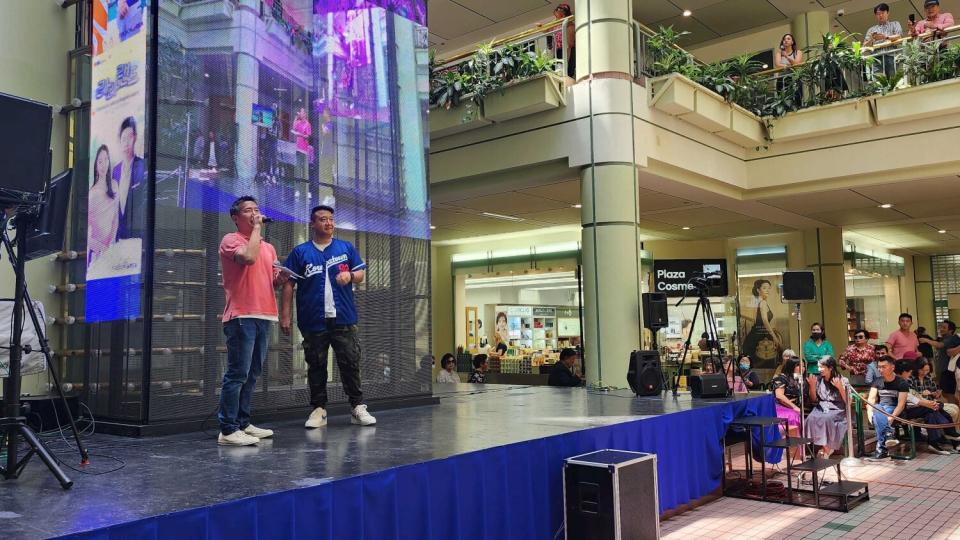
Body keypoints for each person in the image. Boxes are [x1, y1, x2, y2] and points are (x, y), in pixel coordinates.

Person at [280, 205, 377, 428]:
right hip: (312, 320)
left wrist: (350, 275)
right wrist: (285, 316)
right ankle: (318, 409)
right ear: (313, 224)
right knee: (316, 365)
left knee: (350, 363)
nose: (329, 223)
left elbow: (361, 274)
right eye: (323, 219)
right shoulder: (300, 252)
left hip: (343, 317)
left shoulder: (345, 248)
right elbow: (288, 285)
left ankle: (357, 406)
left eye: (331, 219)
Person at [217, 196, 286, 446]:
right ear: (236, 218)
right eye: (249, 211)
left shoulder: (268, 248)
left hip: (265, 314)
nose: (255, 214)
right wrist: (257, 228)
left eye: (257, 210)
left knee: (253, 373)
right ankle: (227, 428)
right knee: (238, 373)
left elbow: (273, 279)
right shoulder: (231, 240)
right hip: (241, 316)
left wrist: (283, 278)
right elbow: (247, 258)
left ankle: (243, 423)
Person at [895, 360, 959, 454]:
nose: (910, 374)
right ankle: (948, 433)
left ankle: (935, 442)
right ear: (905, 372)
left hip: (914, 406)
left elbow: (912, 397)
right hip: (905, 410)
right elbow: (911, 399)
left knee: (932, 412)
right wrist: (928, 403)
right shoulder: (902, 382)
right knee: (933, 408)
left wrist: (930, 401)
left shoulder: (901, 381)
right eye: (909, 372)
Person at [804, 356, 849, 458]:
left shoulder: (843, 380)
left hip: (837, 409)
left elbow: (848, 401)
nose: (819, 369)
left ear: (830, 367)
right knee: (811, 418)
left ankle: (827, 449)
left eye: (822, 367)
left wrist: (840, 388)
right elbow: (814, 400)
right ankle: (826, 448)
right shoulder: (819, 380)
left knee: (827, 419)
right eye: (818, 367)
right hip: (821, 407)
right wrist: (812, 386)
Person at [867, 356, 909, 459]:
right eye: (879, 367)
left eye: (883, 367)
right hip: (881, 408)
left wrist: (892, 417)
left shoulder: (901, 382)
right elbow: (871, 399)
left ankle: (881, 449)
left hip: (894, 409)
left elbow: (901, 404)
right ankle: (889, 433)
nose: (880, 370)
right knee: (876, 407)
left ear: (892, 367)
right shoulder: (877, 381)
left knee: (878, 415)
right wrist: (869, 414)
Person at [113, 116, 145, 241]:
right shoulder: (115, 170)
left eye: (130, 137)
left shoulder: (142, 166)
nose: (126, 143)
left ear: (135, 138)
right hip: (118, 238)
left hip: (137, 237)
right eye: (123, 138)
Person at [87, 145, 119, 264]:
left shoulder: (114, 185)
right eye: (100, 161)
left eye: (106, 159)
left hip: (111, 249)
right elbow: (87, 233)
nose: (104, 164)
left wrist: (111, 243)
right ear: (95, 165)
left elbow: (115, 218)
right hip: (96, 253)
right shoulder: (92, 193)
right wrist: (101, 249)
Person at [741, 279, 781, 368]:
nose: (767, 290)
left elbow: (758, 321)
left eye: (769, 288)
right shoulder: (762, 302)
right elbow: (765, 321)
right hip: (756, 339)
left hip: (758, 336)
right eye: (764, 288)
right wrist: (774, 337)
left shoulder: (760, 302)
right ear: (758, 290)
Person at [770, 357, 804, 459]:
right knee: (793, 416)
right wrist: (794, 407)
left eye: (803, 365)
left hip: (796, 407)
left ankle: (798, 450)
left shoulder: (800, 378)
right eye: (799, 366)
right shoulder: (781, 378)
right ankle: (794, 452)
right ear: (791, 367)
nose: (803, 368)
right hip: (780, 407)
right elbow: (779, 396)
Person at [909, 357, 960, 423]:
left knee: (955, 407)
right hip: (922, 406)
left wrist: (937, 393)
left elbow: (934, 393)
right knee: (952, 411)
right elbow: (910, 397)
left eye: (927, 370)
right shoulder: (911, 379)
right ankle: (947, 429)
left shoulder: (928, 377)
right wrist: (922, 394)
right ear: (916, 368)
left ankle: (949, 429)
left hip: (932, 403)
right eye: (922, 370)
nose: (925, 373)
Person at [864, 3, 903, 78]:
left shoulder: (895, 24)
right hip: (876, 58)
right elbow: (865, 46)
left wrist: (885, 37)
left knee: (893, 80)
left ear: (888, 13)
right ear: (875, 15)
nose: (880, 15)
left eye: (882, 13)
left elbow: (899, 36)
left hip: (891, 56)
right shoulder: (871, 30)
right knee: (879, 82)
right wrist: (872, 39)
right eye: (878, 14)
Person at [919, 320, 960, 385]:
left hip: (948, 369)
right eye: (941, 327)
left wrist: (926, 340)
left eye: (944, 328)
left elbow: (939, 345)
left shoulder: (951, 338)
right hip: (942, 368)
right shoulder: (943, 338)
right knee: (942, 389)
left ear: (950, 330)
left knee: (947, 392)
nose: (941, 329)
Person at [774, 33, 803, 104]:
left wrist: (786, 57)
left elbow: (796, 64)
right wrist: (790, 64)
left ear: (792, 42)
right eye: (784, 39)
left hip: (795, 78)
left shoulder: (798, 52)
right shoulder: (779, 54)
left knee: (797, 98)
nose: (786, 40)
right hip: (782, 79)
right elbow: (778, 65)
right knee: (783, 99)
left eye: (788, 39)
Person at [552, 3, 575, 79]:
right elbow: (547, 30)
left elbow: (569, 45)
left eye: (559, 14)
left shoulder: (569, 25)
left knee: (566, 73)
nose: (557, 16)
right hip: (558, 50)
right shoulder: (557, 24)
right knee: (557, 73)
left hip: (567, 51)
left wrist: (566, 63)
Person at [292, 107, 312, 179]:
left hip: (304, 149)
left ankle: (304, 181)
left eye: (301, 112)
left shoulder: (307, 124)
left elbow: (308, 136)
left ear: (305, 114)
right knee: (298, 164)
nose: (300, 113)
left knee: (303, 167)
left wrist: (301, 135)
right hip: (298, 147)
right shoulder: (298, 122)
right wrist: (295, 118)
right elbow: (294, 128)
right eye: (300, 112)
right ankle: (297, 181)